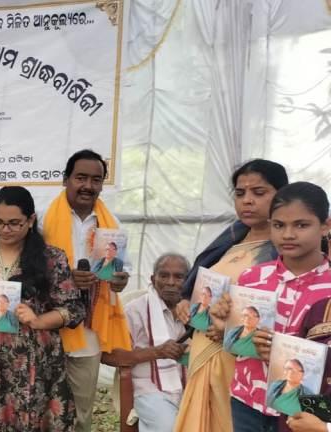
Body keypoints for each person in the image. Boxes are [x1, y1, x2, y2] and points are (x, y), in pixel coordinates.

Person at [0, 186, 84, 431]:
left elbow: (73, 309)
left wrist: (38, 320)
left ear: (30, 220)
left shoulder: (51, 258)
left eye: (14, 223)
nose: (5, 229)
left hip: (35, 361)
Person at [173, 159, 287, 432]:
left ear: (281, 195)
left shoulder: (285, 250)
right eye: (240, 193)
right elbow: (197, 285)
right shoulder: (230, 239)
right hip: (204, 351)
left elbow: (287, 315)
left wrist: (230, 332)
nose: (247, 200)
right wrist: (185, 303)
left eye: (259, 192)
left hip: (242, 364)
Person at [227, 182, 331, 431]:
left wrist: (283, 354)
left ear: (325, 226)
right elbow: (234, 347)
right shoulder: (252, 278)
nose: (288, 235)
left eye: (301, 225)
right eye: (279, 225)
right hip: (247, 401)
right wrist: (231, 329)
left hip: (306, 408)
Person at [41, 149, 131, 432]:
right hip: (46, 327)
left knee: (81, 412)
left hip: (89, 331)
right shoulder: (43, 220)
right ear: (65, 179)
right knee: (40, 409)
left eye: (96, 180)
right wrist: (65, 279)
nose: (88, 186)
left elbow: (122, 268)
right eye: (80, 178)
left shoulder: (111, 224)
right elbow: (26, 270)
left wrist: (121, 280)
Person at [101, 253, 190, 432]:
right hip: (150, 389)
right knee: (169, 428)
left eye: (179, 277)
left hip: (191, 388)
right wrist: (157, 352)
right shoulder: (135, 311)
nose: (171, 282)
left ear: (189, 281)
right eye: (163, 276)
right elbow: (108, 356)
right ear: (153, 279)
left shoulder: (197, 311)